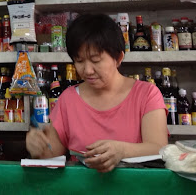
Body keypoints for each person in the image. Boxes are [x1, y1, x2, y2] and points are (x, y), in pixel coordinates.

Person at [26, 13, 168, 173]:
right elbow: (52, 154)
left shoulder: (146, 94)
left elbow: (159, 149)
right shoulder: (68, 99)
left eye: (95, 60)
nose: (87, 70)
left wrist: (122, 151)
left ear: (118, 58)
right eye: (79, 61)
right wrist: (37, 146)